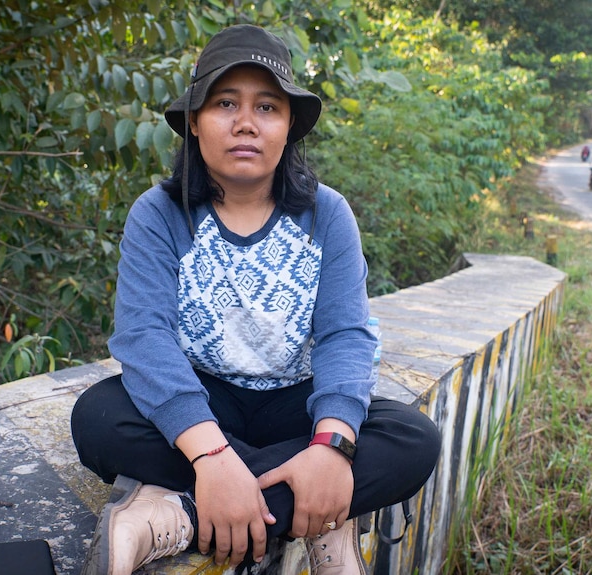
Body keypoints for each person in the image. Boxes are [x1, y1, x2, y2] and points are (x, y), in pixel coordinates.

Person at [70, 24, 441, 575]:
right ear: (195, 122)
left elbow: (345, 335)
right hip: (204, 402)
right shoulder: (160, 214)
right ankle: (318, 512)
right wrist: (212, 454)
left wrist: (331, 447)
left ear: (288, 126)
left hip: (296, 402)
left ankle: (178, 514)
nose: (246, 122)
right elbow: (143, 336)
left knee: (412, 439)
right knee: (98, 417)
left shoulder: (327, 214)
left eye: (267, 107)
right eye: (225, 103)